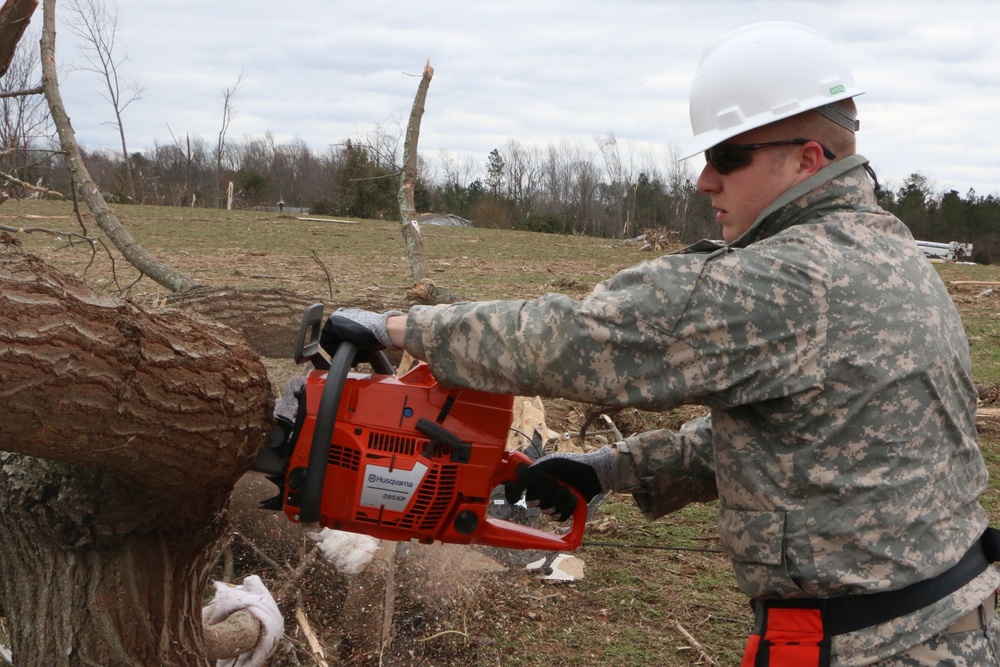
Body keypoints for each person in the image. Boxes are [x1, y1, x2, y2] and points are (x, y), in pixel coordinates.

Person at [319, 22, 1000, 666]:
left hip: (875, 645)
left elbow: (583, 339)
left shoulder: (792, 277)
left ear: (807, 159)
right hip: (947, 622)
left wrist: (397, 328)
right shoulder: (888, 249)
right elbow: (808, 432)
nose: (707, 179)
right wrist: (611, 469)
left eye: (727, 157)